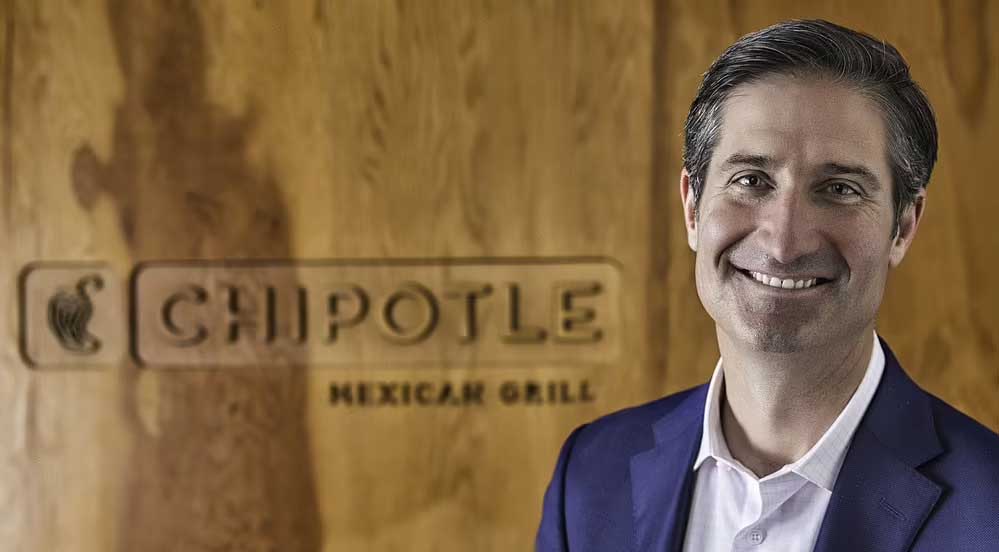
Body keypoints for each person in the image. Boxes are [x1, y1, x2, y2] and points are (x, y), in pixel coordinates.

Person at [536, 19, 999, 552]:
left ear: (904, 226)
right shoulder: (591, 476)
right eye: (751, 180)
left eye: (839, 189)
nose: (784, 242)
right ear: (692, 208)